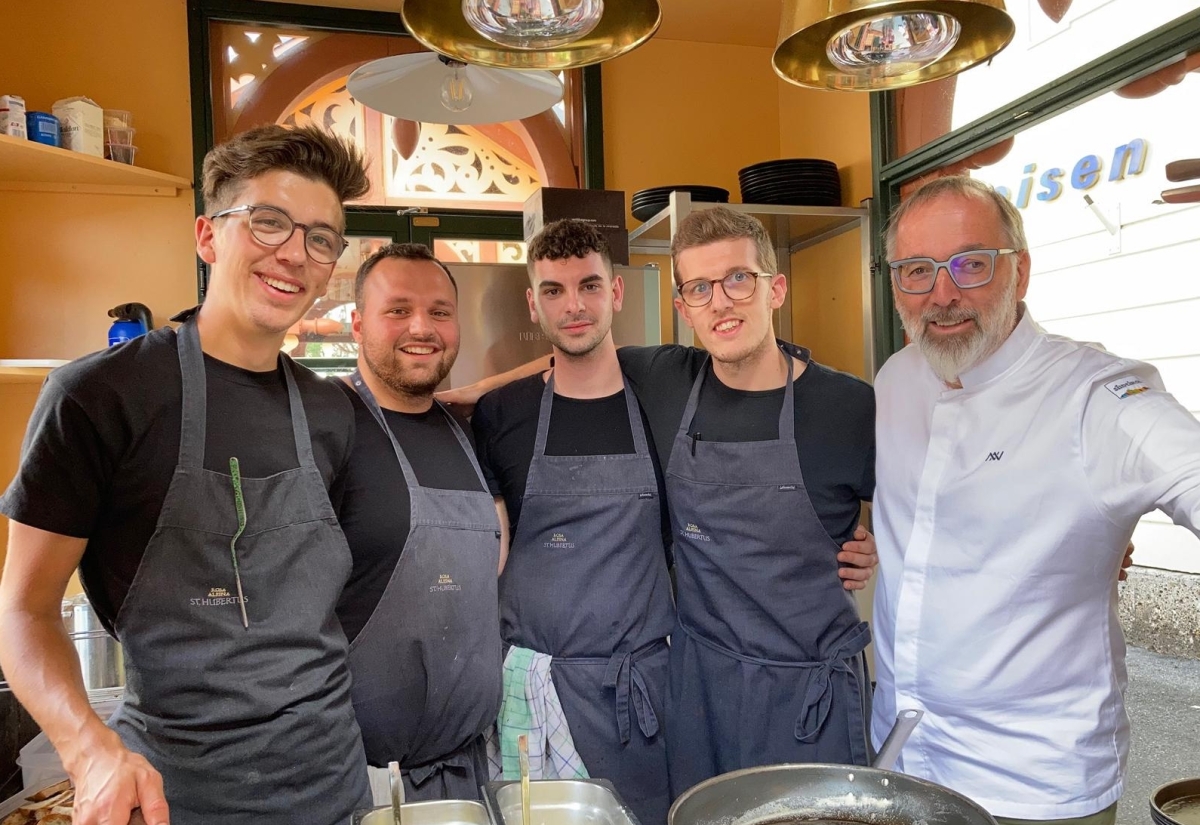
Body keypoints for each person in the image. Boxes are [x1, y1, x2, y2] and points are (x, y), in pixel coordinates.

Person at [0, 124, 373, 825]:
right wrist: (90, 751)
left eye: (322, 238)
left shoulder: (331, 412)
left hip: (334, 790)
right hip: (174, 797)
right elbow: (24, 610)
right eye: (269, 222)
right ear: (208, 236)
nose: (296, 253)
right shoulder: (97, 397)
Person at [450, 207, 879, 803]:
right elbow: (576, 347)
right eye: (700, 288)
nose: (720, 302)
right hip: (701, 689)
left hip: (809, 692)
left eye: (738, 280)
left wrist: (875, 545)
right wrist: (468, 394)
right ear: (683, 306)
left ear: (775, 288)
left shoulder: (851, 405)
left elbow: (919, 519)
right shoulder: (671, 378)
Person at [870, 175, 1200, 825]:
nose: (943, 294)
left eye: (970, 263)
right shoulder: (895, 379)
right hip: (902, 758)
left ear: (1019, 271)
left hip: (1033, 784)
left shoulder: (1096, 396)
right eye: (917, 270)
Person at [471, 220, 675, 824]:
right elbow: (491, 547)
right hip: (530, 689)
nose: (575, 306)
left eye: (589, 285)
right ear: (534, 304)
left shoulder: (663, 400)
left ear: (616, 292)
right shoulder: (500, 413)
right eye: (554, 290)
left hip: (637, 696)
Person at [335, 243, 505, 804]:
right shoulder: (326, 425)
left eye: (439, 312)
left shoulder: (464, 429)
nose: (421, 327)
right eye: (398, 309)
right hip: (363, 787)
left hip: (469, 774)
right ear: (357, 323)